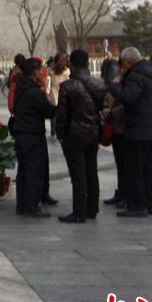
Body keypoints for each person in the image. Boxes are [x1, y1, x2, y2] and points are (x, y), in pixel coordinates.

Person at [106, 47, 152, 217]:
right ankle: (151, 204)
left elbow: (127, 97)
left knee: (135, 168)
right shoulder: (151, 72)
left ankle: (137, 206)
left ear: (125, 62)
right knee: (147, 168)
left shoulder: (135, 75)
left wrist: (114, 87)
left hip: (139, 128)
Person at [55, 49, 104, 223]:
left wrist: (60, 135)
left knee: (78, 175)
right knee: (92, 172)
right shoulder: (98, 84)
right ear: (88, 63)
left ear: (71, 65)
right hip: (93, 132)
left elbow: (62, 115)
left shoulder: (68, 86)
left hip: (74, 134)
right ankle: (92, 208)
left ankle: (79, 212)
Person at [12, 57, 57, 218]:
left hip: (21, 134)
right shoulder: (35, 92)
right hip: (32, 135)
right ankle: (31, 207)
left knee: (23, 171)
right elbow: (49, 111)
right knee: (34, 171)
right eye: (40, 71)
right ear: (35, 72)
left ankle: (22, 205)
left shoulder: (20, 87)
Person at [101, 61, 127, 207]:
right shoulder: (116, 82)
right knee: (119, 163)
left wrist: (112, 113)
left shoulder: (130, 83)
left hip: (124, 128)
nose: (120, 70)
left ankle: (126, 194)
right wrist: (105, 108)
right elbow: (107, 98)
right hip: (114, 128)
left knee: (125, 164)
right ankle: (120, 192)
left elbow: (126, 104)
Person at [47, 54, 70, 138]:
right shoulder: (66, 71)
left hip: (54, 92)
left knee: (53, 114)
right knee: (63, 113)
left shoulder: (51, 70)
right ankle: (62, 130)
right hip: (63, 92)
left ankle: (53, 130)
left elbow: (49, 83)